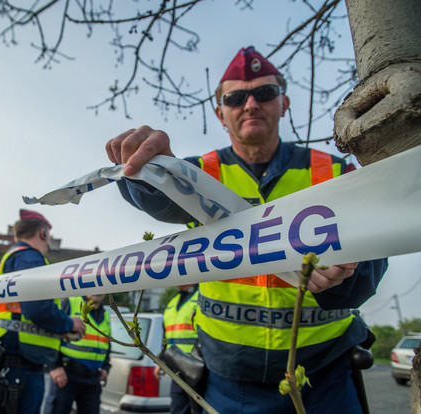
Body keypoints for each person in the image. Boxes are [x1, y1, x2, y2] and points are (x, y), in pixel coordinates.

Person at [104, 46, 388, 413]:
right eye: (236, 97)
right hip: (230, 380)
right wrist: (150, 166)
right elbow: (157, 198)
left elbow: (373, 259)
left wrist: (347, 273)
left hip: (324, 375)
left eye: (264, 93)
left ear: (284, 103)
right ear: (220, 114)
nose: (251, 104)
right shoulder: (197, 175)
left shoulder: (336, 173)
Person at [0, 209, 86, 414]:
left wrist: (56, 330)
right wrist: (68, 323)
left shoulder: (14, 257)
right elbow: (38, 309)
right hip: (15, 361)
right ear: (43, 233)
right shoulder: (30, 257)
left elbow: (23, 314)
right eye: (48, 235)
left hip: (3, 356)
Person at [45, 294, 111, 414]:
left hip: (92, 379)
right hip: (66, 375)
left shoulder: (105, 314)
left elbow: (106, 343)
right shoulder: (70, 303)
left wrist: (106, 367)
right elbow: (52, 334)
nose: (99, 291)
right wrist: (54, 366)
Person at [158, 284, 199, 414]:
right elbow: (167, 335)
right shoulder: (173, 301)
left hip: (198, 369)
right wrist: (162, 359)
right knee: (178, 409)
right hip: (177, 369)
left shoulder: (201, 296)